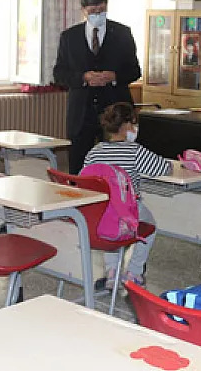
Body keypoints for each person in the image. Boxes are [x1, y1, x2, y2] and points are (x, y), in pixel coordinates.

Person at [54, 0, 142, 175]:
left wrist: (115, 76)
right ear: (83, 10)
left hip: (115, 112)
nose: (98, 14)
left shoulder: (122, 33)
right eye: (93, 11)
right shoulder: (69, 37)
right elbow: (59, 73)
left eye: (101, 10)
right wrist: (83, 78)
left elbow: (135, 70)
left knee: (117, 167)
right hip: (81, 113)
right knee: (78, 166)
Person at [83, 102, 172, 287]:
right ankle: (134, 272)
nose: (135, 128)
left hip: (101, 213)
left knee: (110, 227)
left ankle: (112, 272)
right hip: (129, 211)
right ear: (125, 126)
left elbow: (83, 179)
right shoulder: (134, 151)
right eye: (133, 123)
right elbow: (163, 168)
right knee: (150, 227)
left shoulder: (94, 152)